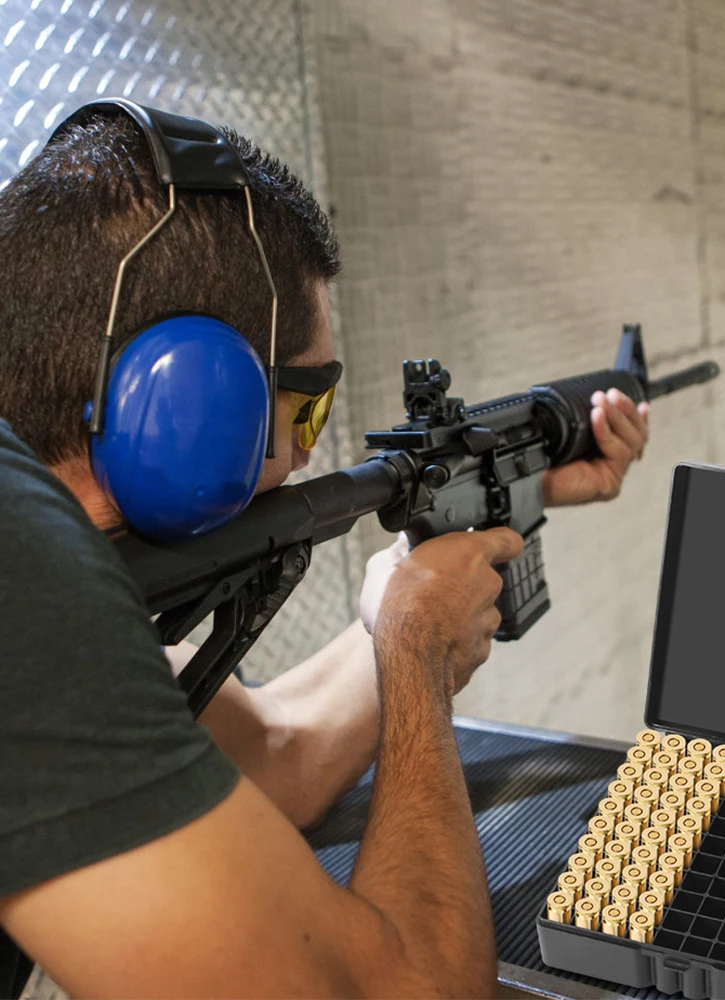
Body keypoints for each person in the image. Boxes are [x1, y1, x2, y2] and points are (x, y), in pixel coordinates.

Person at [0, 105, 650, 998]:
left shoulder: (37, 546)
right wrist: (417, 661)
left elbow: (275, 754)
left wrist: (451, 558)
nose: (308, 452)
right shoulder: (24, 585)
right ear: (195, 398)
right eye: (307, 405)